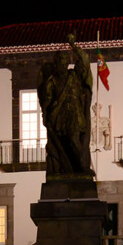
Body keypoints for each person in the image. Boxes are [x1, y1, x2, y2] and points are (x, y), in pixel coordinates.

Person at [36, 34, 95, 176]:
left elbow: (85, 60)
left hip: (75, 114)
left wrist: (73, 45)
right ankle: (79, 168)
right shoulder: (52, 81)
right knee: (71, 141)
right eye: (60, 62)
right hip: (61, 117)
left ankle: (80, 167)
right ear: (56, 64)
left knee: (75, 141)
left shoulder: (74, 76)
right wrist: (45, 115)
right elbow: (46, 101)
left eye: (64, 62)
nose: (62, 65)